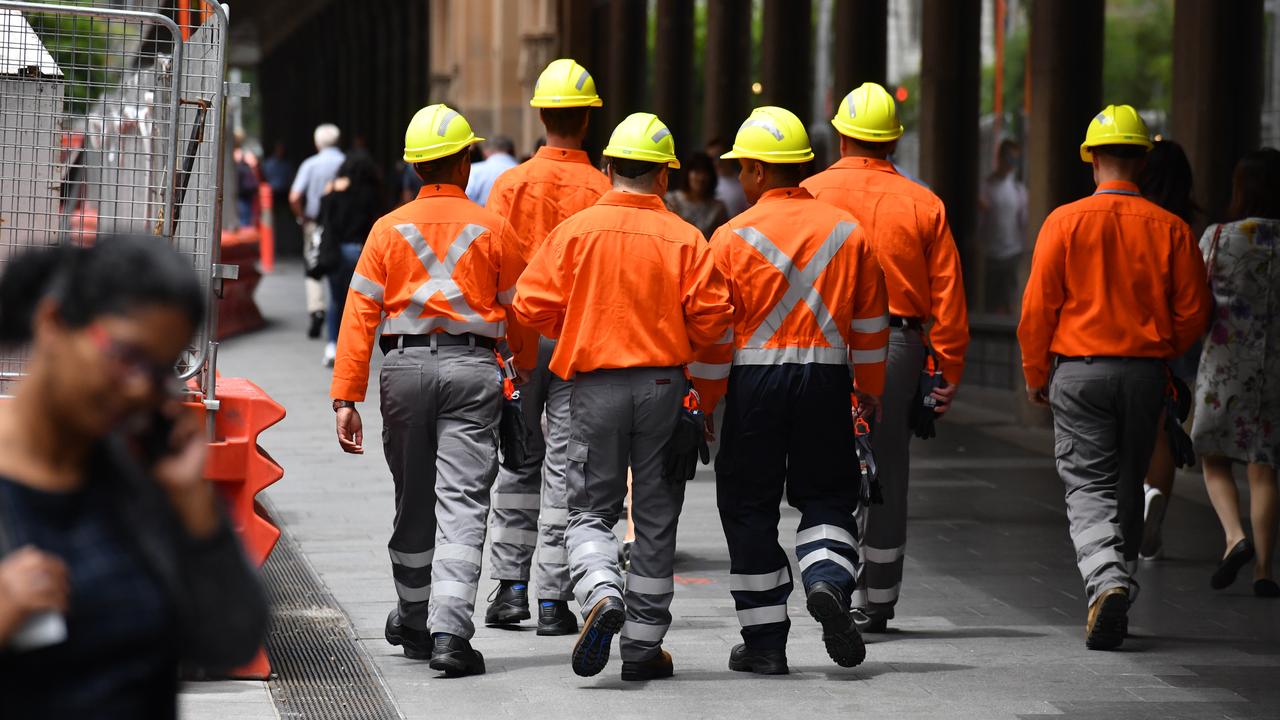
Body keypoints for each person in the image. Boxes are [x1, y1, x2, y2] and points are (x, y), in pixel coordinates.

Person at [0, 236, 267, 717]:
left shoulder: (140, 479)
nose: (140, 388)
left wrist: (196, 510)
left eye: (160, 370)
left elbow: (230, 640)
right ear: (53, 323)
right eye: (126, 357)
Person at [513, 112, 733, 682]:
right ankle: (641, 649)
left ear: (608, 169)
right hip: (664, 387)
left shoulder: (576, 232)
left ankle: (600, 590)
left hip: (593, 388)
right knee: (656, 519)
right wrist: (702, 396)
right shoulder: (687, 237)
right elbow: (714, 322)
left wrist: (580, 322)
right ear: (665, 177)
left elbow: (529, 307)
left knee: (590, 509)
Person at [329, 104, 526, 678]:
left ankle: (414, 619)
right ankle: (451, 635)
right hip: (473, 371)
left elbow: (359, 314)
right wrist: (522, 373)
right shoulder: (493, 227)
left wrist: (347, 398)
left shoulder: (386, 230)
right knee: (463, 502)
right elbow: (520, 313)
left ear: (415, 167)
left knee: (412, 499)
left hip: (404, 371)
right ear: (466, 162)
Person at [1018, 105, 1211, 650]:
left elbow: (1038, 310)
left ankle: (1107, 584)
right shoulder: (1172, 229)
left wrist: (1036, 372)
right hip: (1147, 373)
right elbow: (1196, 311)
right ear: (1143, 163)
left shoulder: (1064, 222)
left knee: (1088, 485)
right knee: (1127, 484)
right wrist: (1162, 348)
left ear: (1093, 159)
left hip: (1079, 373)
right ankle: (1117, 581)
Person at [708, 106, 889, 675]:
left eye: (742, 168)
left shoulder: (731, 236)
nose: (738, 177)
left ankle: (764, 643)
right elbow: (870, 323)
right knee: (829, 493)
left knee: (748, 503)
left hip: (753, 381)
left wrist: (707, 400)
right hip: (827, 379)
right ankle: (829, 580)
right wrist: (869, 389)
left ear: (760, 171)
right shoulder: (848, 232)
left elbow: (713, 329)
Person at [802, 81, 969, 634]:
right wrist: (946, 368)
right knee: (888, 465)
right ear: (894, 142)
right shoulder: (925, 204)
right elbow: (947, 296)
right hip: (898, 345)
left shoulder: (808, 193)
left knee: (827, 461)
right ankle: (878, 597)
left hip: (824, 339)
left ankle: (831, 576)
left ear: (842, 134)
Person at [482, 58, 611, 636]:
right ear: (587, 120)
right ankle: (556, 600)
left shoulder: (510, 185)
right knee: (565, 472)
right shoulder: (606, 190)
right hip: (579, 346)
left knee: (517, 460)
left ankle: (510, 590)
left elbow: (489, 266)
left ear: (540, 113)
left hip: (520, 340)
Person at [1191, 147, 1280, 599]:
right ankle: (1265, 570)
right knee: (1265, 469)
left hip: (1225, 363)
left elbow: (1195, 298)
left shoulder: (1219, 236)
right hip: (1276, 367)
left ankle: (1233, 536)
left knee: (1213, 456)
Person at [1137, 139, 1198, 561]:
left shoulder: (1138, 220)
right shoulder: (1188, 226)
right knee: (1163, 428)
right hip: (1173, 343)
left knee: (1120, 431)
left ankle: (1137, 497)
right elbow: (1196, 302)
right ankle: (1153, 500)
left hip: (1125, 339)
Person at [316, 150, 385, 367]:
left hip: (336, 252)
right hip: (360, 252)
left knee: (336, 301)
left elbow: (322, 219)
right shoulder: (371, 193)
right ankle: (354, 352)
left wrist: (329, 193)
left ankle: (331, 346)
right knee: (359, 305)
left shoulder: (335, 192)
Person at [291, 123, 345, 339]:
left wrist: (302, 217)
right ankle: (336, 308)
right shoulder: (345, 163)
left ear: (317, 143)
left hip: (315, 223)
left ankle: (317, 309)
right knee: (338, 268)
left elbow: (294, 196)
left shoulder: (310, 164)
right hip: (340, 226)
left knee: (313, 265)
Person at [977, 139, 1027, 314]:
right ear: (999, 157)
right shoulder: (986, 188)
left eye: (1015, 160)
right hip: (991, 254)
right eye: (1009, 158)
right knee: (990, 303)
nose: (1011, 164)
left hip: (1012, 253)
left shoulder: (1018, 190)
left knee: (1010, 302)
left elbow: (1023, 222)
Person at [665, 152, 729, 239]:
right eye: (696, 171)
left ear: (712, 177)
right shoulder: (671, 201)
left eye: (705, 172)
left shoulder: (718, 208)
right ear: (687, 174)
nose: (701, 178)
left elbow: (723, 239)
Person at [465, 136, 518, 206]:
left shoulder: (474, 171)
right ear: (512, 151)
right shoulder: (523, 171)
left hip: (479, 215)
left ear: (485, 152)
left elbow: (466, 198)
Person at [705, 136, 749, 217]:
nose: (716, 162)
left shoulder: (744, 182)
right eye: (711, 159)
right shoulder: (704, 183)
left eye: (719, 156)